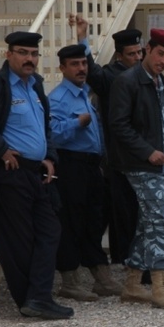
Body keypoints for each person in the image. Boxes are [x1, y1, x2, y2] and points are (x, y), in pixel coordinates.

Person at [0, 32, 72, 319]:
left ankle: (37, 297)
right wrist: (1, 148)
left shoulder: (35, 86)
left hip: (36, 173)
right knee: (18, 241)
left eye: (33, 53)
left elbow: (44, 128)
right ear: (8, 55)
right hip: (10, 174)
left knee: (50, 231)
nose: (29, 59)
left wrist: (49, 156)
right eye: (22, 52)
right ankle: (32, 300)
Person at [108, 28, 164, 310]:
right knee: (162, 220)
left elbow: (163, 122)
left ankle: (131, 284)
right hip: (139, 164)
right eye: (160, 54)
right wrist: (147, 151)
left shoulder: (159, 82)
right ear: (148, 49)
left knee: (147, 224)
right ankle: (158, 285)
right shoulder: (127, 81)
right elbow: (118, 125)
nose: (163, 60)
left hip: (162, 163)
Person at [48, 43, 122, 302]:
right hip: (70, 165)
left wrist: (85, 38)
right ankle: (70, 280)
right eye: (75, 64)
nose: (82, 68)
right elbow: (52, 134)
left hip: (92, 166)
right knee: (71, 221)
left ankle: (101, 277)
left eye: (84, 63)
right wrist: (76, 123)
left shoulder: (84, 92)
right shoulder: (57, 99)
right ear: (62, 68)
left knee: (94, 219)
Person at [71, 15, 143, 270]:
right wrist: (83, 38)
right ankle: (124, 259)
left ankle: (146, 257)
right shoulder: (111, 77)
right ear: (120, 56)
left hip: (144, 155)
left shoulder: (146, 77)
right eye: (132, 54)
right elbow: (91, 71)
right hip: (118, 156)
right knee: (121, 212)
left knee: (142, 211)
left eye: (139, 52)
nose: (137, 58)